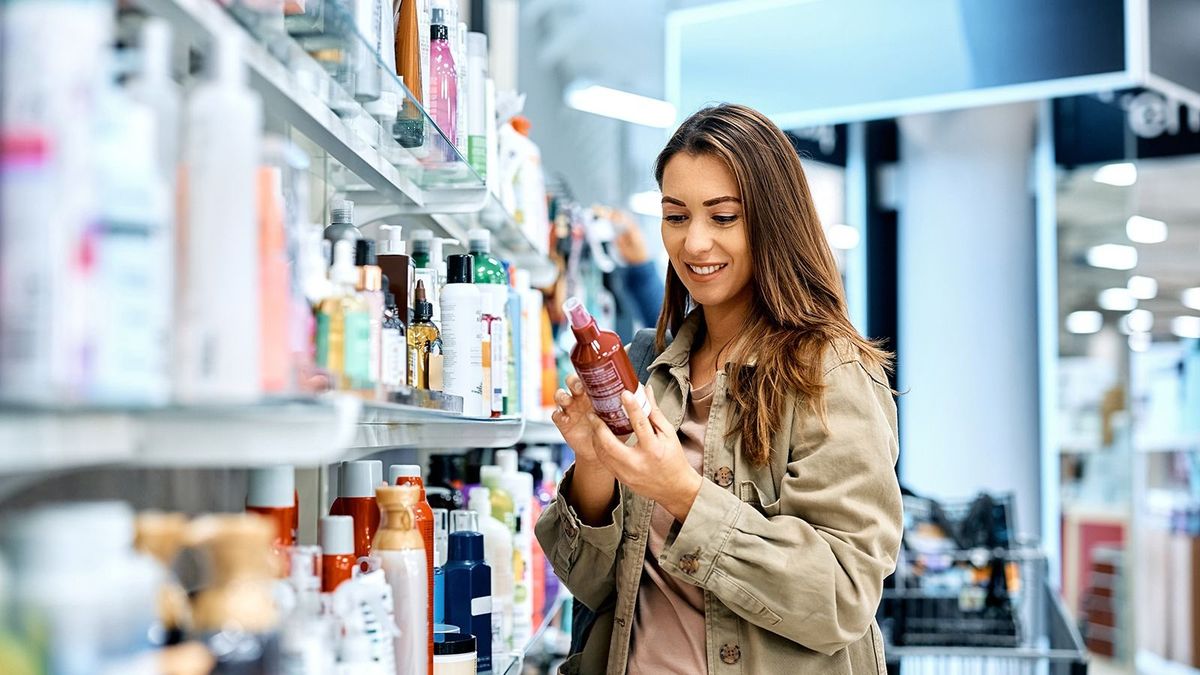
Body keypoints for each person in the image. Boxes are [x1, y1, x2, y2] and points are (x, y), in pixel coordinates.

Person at [535, 103, 903, 675]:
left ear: (772, 221)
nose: (695, 243)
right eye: (676, 216)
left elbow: (842, 598)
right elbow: (595, 588)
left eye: (723, 216)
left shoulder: (828, 372)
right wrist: (594, 464)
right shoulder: (645, 365)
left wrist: (683, 493)